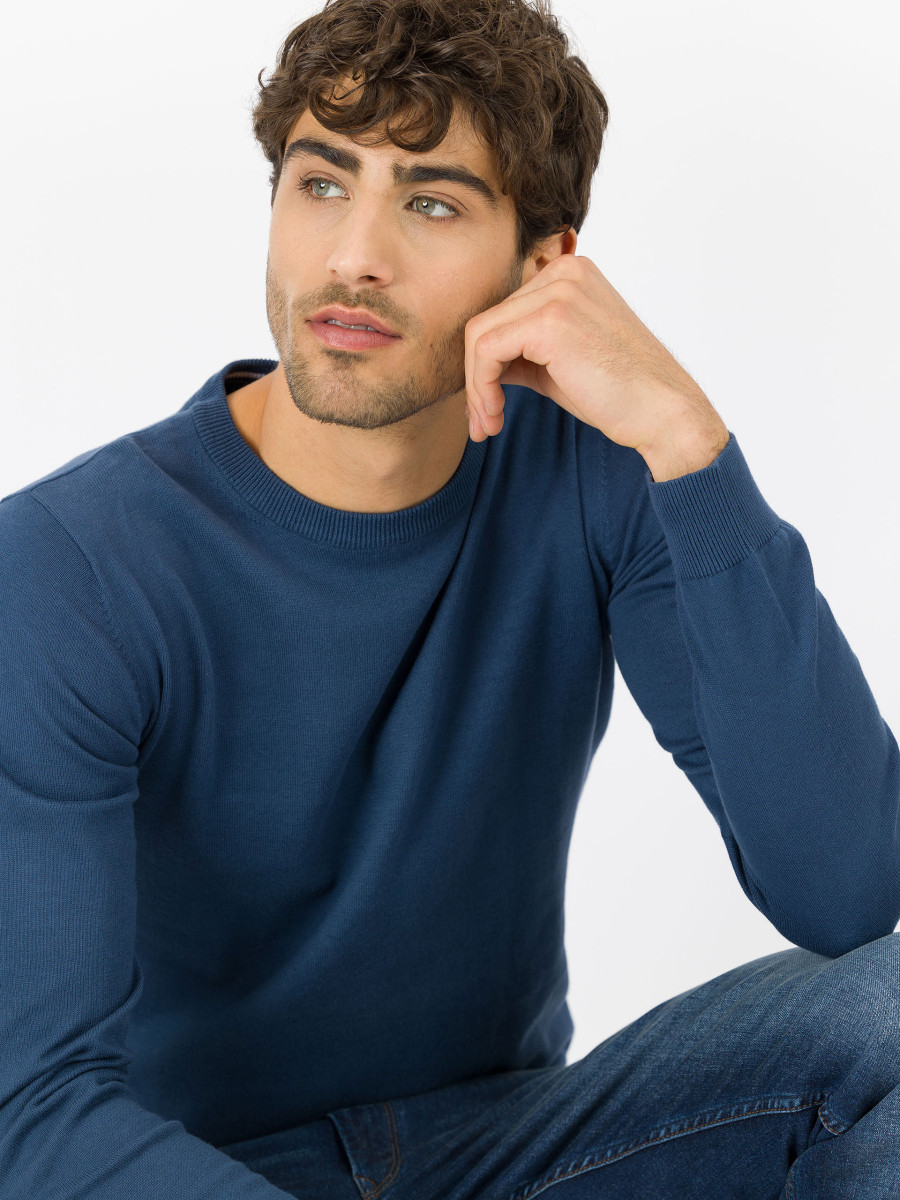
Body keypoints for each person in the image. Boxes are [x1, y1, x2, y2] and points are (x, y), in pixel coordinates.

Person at [1, 0, 898, 1196]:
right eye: (322, 184)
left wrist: (688, 446)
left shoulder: (601, 477)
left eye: (431, 204)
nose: (353, 256)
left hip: (511, 1151)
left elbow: (847, 891)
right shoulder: (67, 567)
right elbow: (35, 1116)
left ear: (544, 269)